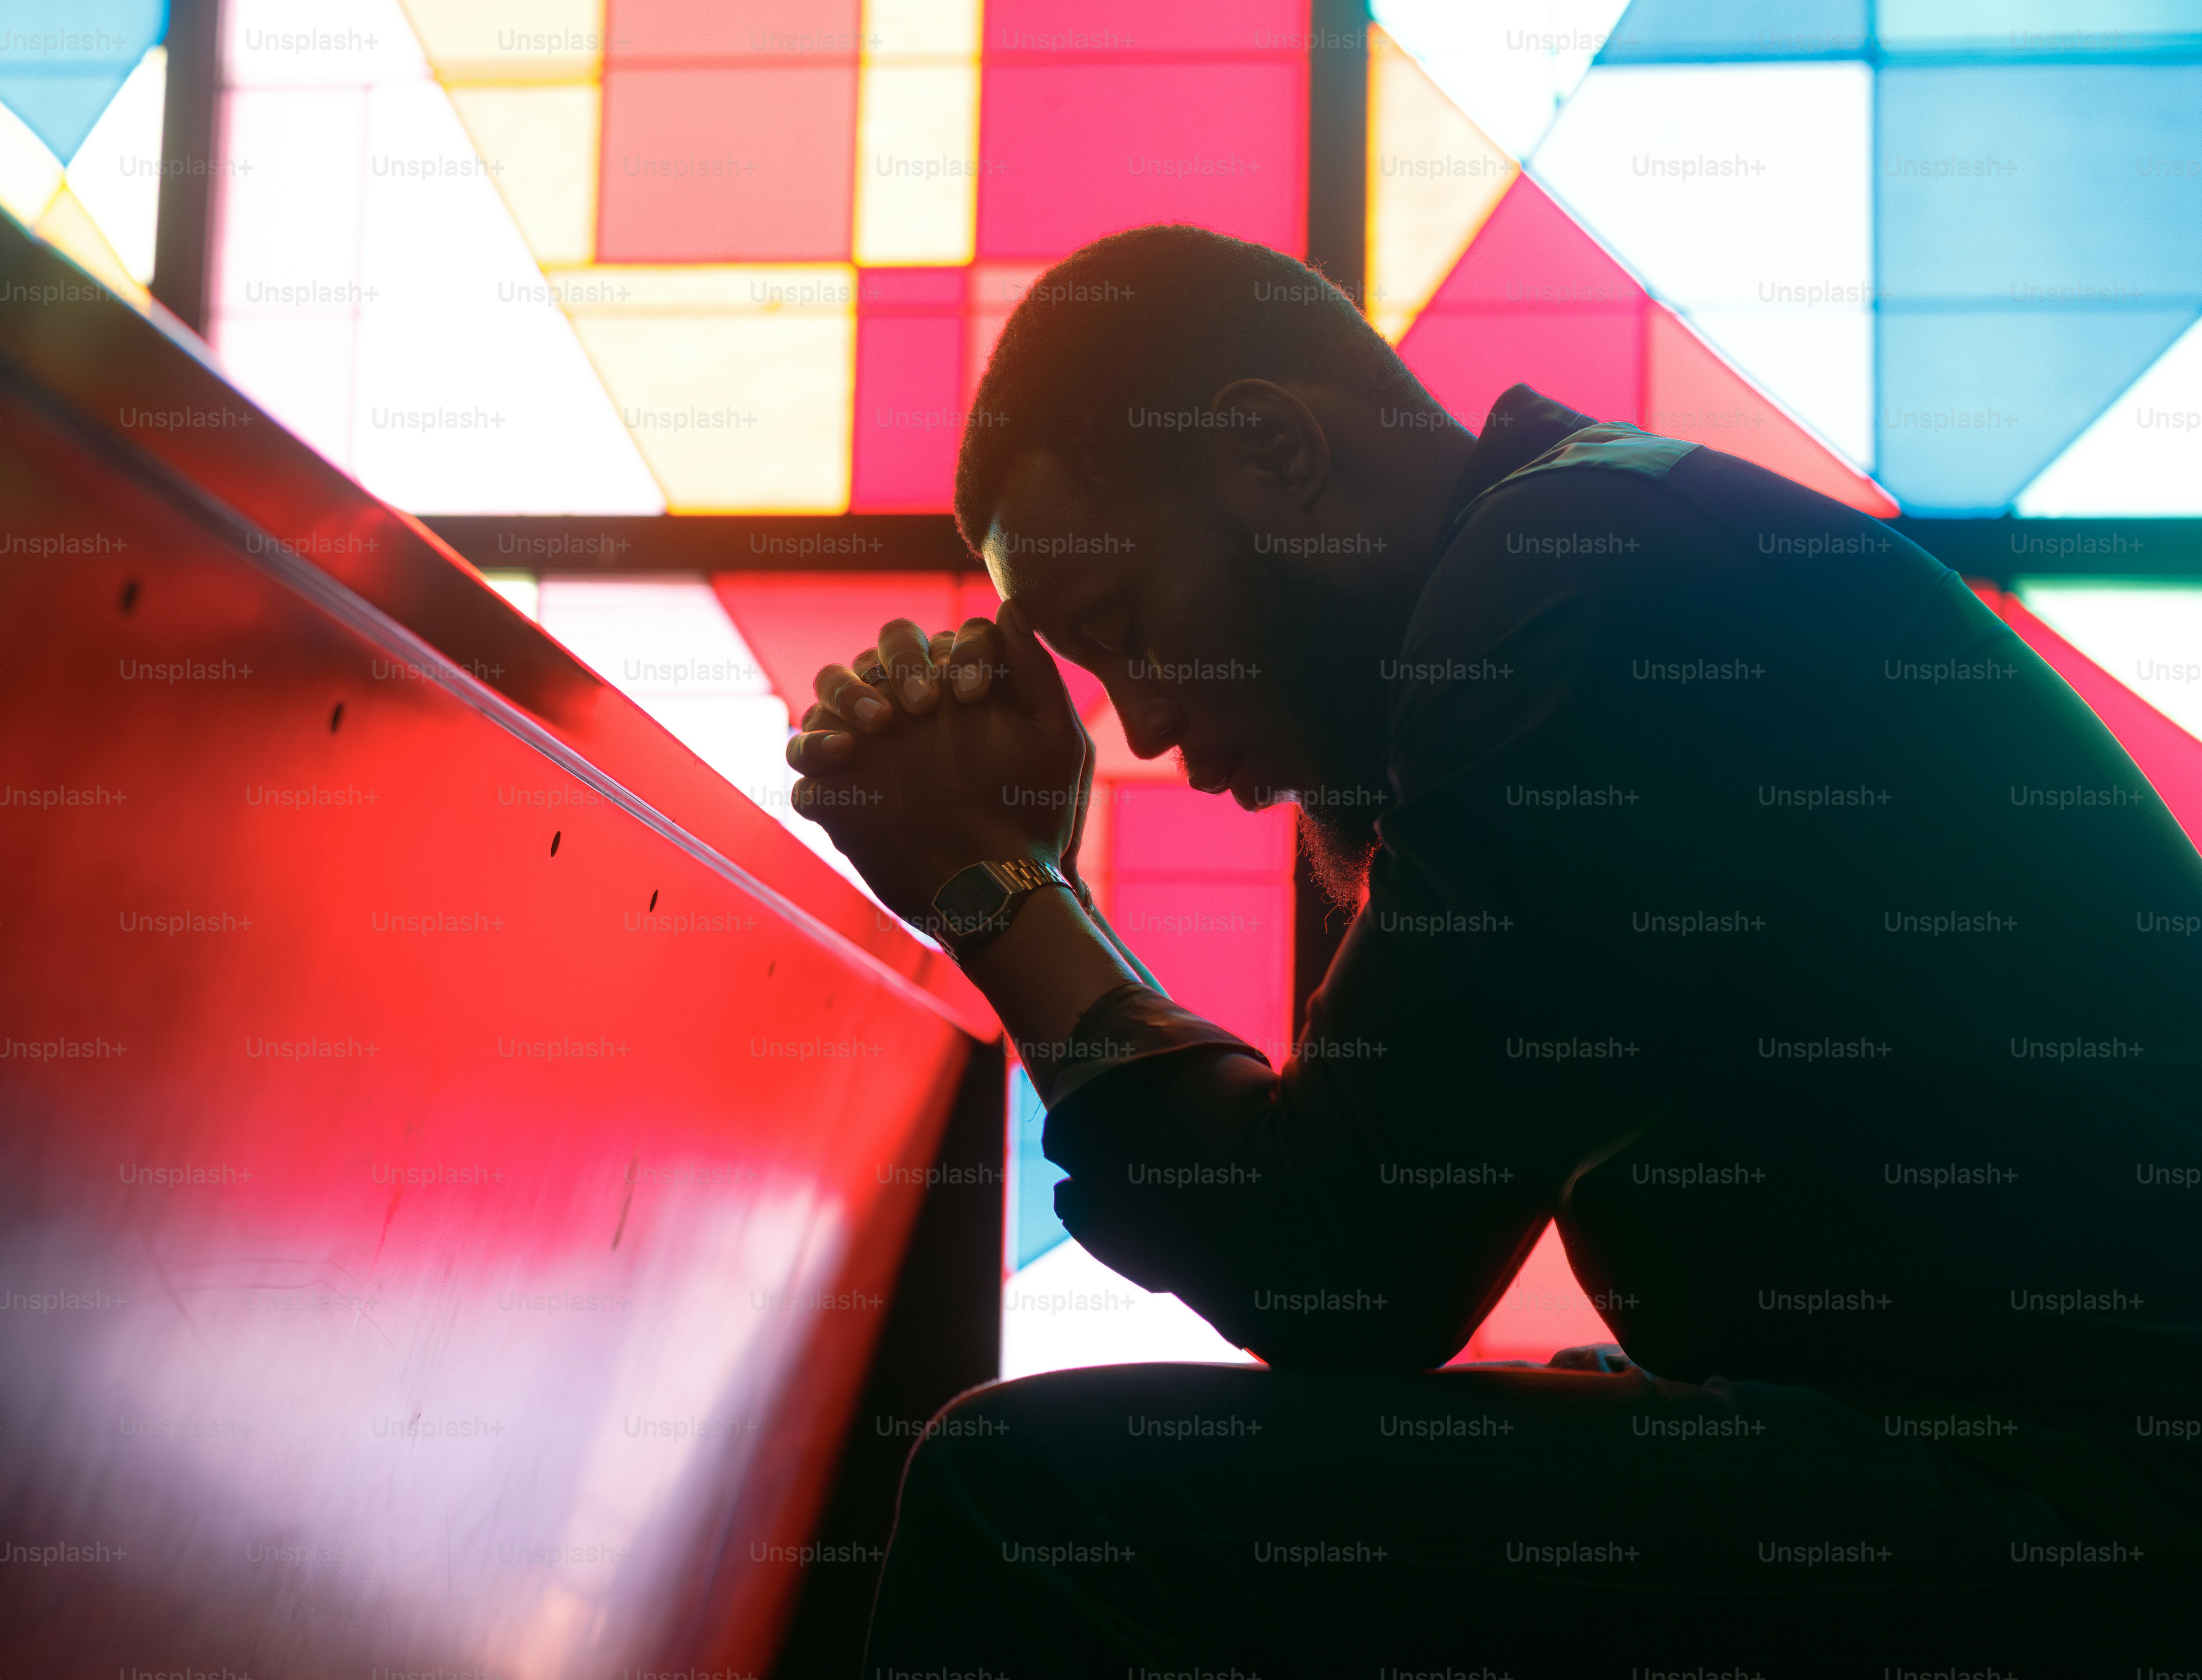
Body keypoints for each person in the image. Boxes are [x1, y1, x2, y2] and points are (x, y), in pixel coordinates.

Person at [784, 225, 2202, 1676]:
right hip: (2035, 1459)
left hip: (2097, 1498)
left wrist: (996, 893)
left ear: (1273, 452)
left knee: (1033, 1499)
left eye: (1129, 629)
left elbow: (1341, 1268)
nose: (1142, 726)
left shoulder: (1568, 596)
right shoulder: (1563, 572)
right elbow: (1351, 1246)